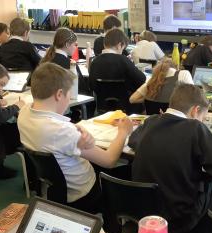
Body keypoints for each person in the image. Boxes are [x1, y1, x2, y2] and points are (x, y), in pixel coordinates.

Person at [17, 62, 133, 213]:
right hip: (84, 193)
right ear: (59, 94)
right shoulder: (63, 132)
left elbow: (55, 127)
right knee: (128, 170)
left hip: (57, 189)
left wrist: (76, 128)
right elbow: (109, 160)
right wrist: (123, 131)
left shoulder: (24, 113)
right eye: (68, 95)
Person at [129, 84, 212, 233]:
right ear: (195, 111)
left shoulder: (151, 121)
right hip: (179, 219)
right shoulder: (195, 127)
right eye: (203, 118)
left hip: (144, 213)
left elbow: (133, 141)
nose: (202, 122)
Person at [89, 28, 146, 112]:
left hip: (103, 109)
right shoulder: (123, 60)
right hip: (128, 108)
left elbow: (91, 85)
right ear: (119, 45)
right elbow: (142, 79)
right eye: (123, 48)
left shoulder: (94, 62)